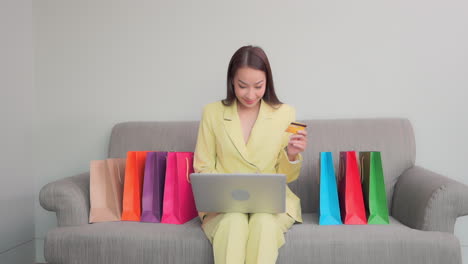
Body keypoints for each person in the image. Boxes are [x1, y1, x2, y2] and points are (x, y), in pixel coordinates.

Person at [193, 45, 308, 264]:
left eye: (258, 86)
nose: (250, 94)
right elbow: (203, 167)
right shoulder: (212, 113)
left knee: (264, 222)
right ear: (231, 82)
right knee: (233, 222)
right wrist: (222, 196)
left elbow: (287, 177)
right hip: (222, 206)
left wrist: (291, 155)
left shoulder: (285, 114)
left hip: (271, 205)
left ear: (268, 82)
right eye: (242, 86)